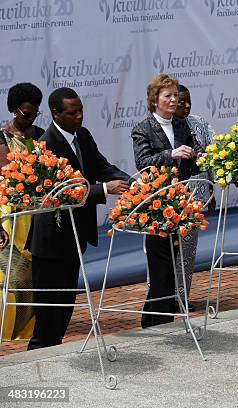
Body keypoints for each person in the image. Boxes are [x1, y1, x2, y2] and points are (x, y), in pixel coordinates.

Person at [27, 88, 130, 349]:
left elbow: (101, 166)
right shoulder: (45, 144)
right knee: (49, 309)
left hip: (75, 236)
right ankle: (38, 354)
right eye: (72, 113)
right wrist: (105, 190)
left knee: (65, 305)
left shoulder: (82, 136)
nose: (79, 117)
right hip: (51, 241)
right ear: (56, 114)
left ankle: (56, 350)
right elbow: (60, 191)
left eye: (81, 110)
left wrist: (132, 181)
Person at [131, 74, 203, 327]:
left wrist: (203, 159)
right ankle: (159, 320)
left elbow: (191, 162)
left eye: (175, 96)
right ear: (154, 100)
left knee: (173, 264)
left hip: (180, 200)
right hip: (156, 203)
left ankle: (155, 318)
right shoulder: (143, 128)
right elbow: (143, 164)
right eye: (167, 96)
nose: (174, 100)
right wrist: (170, 153)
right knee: (161, 264)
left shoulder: (182, 125)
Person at [0, 82, 44, 341]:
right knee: (13, 273)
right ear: (15, 110)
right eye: (26, 113)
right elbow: (6, 175)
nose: (30, 119)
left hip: (37, 212)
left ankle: (30, 327)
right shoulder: (2, 138)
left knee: (34, 273)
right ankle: (7, 328)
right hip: (10, 212)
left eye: (34, 113)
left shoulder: (40, 135)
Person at [171, 84, 215, 311]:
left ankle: (181, 298)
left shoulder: (199, 123)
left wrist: (212, 189)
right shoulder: (164, 128)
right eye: (181, 101)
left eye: (188, 101)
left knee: (188, 250)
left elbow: (213, 154)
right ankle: (160, 297)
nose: (186, 106)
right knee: (164, 250)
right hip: (168, 196)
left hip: (196, 195)